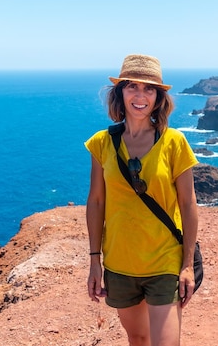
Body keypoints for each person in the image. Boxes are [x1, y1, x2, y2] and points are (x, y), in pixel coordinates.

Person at [84, 54, 199, 346]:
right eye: (132, 86)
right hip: (120, 264)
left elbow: (188, 205)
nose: (140, 95)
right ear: (120, 92)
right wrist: (94, 261)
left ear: (158, 98)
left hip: (164, 261)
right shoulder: (102, 143)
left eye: (149, 89)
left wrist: (187, 265)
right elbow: (96, 202)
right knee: (137, 338)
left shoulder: (174, 142)